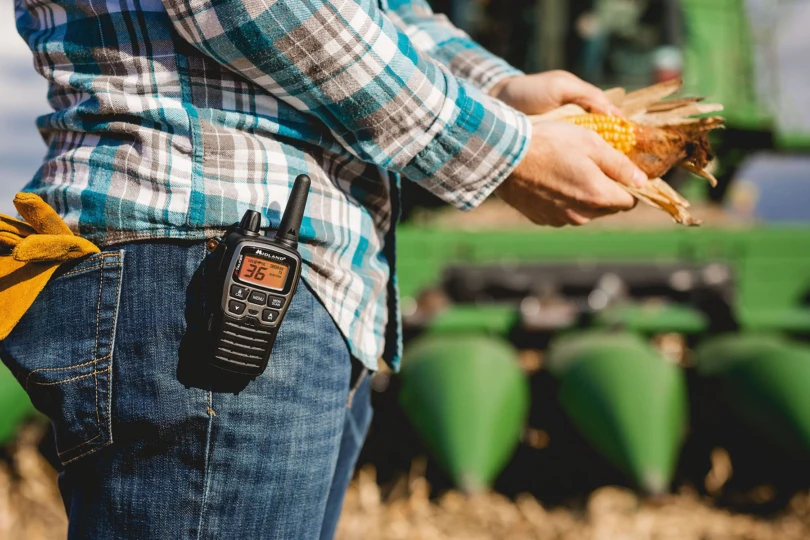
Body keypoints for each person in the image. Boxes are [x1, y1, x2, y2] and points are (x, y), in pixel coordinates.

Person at [3, 0, 646, 537]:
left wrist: (501, 91)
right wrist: (505, 147)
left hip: (303, 282)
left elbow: (381, 11)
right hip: (201, 254)